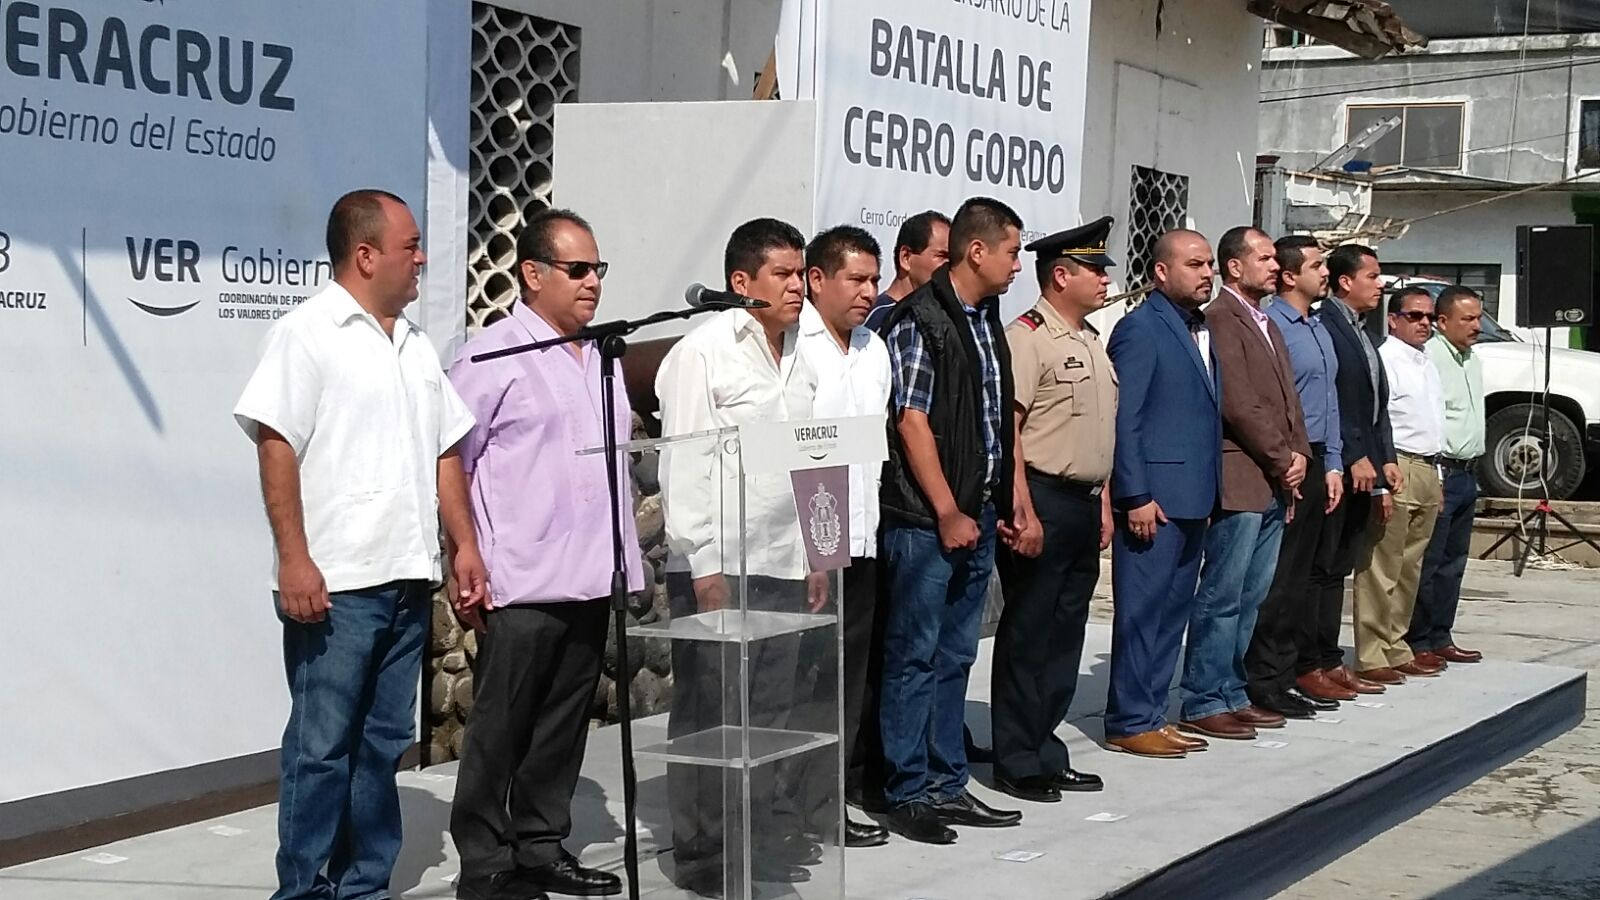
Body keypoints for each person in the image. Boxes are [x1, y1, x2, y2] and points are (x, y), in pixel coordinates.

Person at [234, 189, 486, 900]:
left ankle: (364, 885)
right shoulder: (307, 332)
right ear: (365, 253)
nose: (421, 259)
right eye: (409, 245)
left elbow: (445, 451)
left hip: (408, 576)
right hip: (338, 585)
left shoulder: (415, 343)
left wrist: (462, 544)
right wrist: (294, 558)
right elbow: (276, 444)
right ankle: (306, 889)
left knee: (379, 749)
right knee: (321, 751)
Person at [445, 209, 638, 900]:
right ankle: (486, 861)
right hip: (523, 572)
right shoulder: (490, 354)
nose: (592, 284)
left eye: (598, 270)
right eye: (577, 270)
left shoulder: (601, 355)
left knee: (562, 721)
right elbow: (450, 458)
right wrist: (462, 551)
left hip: (590, 569)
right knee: (501, 725)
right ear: (533, 273)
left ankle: (540, 844)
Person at [655, 218, 821, 894]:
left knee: (769, 716)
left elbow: (810, 451)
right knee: (714, 715)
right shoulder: (704, 352)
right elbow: (685, 463)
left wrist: (818, 546)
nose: (796, 286)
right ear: (741, 282)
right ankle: (705, 853)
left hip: (782, 558)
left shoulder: (800, 353)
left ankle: (752, 838)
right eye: (782, 273)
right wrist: (703, 564)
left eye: (799, 273)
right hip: (722, 565)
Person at [877, 197, 1026, 843]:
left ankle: (946, 781)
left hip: (979, 513)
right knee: (913, 656)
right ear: (977, 251)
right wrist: (945, 509)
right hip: (927, 521)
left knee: (956, 655)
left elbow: (998, 418)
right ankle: (906, 790)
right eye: (1013, 251)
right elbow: (911, 420)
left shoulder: (985, 317)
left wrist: (1012, 497)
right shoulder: (923, 320)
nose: (1019, 264)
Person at [990, 217, 1118, 803]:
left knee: (1066, 636)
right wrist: (1022, 507)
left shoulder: (1091, 338)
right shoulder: (1028, 336)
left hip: (1084, 503)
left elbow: (1098, 434)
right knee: (1028, 634)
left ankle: (1046, 747)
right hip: (1041, 496)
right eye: (1094, 270)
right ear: (1060, 275)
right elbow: (1010, 430)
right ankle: (1017, 757)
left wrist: (1107, 505)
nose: (1103, 279)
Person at [1179, 227, 1308, 741]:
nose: (1276, 266)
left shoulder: (1266, 322)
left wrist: (1300, 455)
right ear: (1235, 267)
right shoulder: (1222, 320)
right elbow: (1239, 402)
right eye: (1266, 258)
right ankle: (1205, 695)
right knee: (1223, 594)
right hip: (1244, 475)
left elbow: (1287, 400)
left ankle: (1233, 691)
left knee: (1252, 595)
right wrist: (1281, 457)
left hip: (1277, 478)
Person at [790, 224, 893, 849]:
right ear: (817, 279)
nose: (867, 291)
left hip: (862, 535)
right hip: (810, 544)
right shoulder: (796, 349)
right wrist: (814, 549)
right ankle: (801, 801)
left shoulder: (874, 348)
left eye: (874, 280)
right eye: (856, 279)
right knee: (807, 678)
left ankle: (830, 796)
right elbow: (798, 452)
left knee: (848, 674)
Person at [1103, 229, 1223, 759]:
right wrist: (1134, 495)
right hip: (1155, 498)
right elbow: (1124, 421)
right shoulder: (1140, 330)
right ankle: (1129, 717)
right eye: (1195, 264)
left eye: (1211, 264)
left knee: (1173, 611)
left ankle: (1152, 712)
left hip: (1195, 493)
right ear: (1160, 272)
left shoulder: (1198, 328)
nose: (1207, 273)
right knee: (1142, 612)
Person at [1246, 236, 1370, 721]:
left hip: (1320, 458)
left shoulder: (1317, 326)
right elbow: (1274, 402)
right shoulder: (1275, 325)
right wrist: (1289, 460)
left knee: (1307, 575)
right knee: (1279, 578)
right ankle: (1265, 678)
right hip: (1287, 461)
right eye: (1317, 265)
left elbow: (1329, 401)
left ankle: (1291, 671)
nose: (1325, 272)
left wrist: (1335, 460)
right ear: (1291, 276)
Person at [1303, 243, 1399, 703]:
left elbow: (1375, 403)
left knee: (1340, 564)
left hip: (1366, 464)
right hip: (1339, 462)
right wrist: (1355, 453)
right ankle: (1312, 660)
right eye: (1373, 276)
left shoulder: (1361, 331)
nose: (1380, 285)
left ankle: (1327, 658)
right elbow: (1335, 401)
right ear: (1346, 281)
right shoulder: (1327, 326)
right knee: (1322, 565)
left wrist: (1387, 459)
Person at [1351, 287, 1447, 683]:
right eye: (1414, 316)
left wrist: (1437, 479)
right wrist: (1380, 482)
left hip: (1427, 467)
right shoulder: (1385, 359)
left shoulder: (1428, 363)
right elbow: (1378, 423)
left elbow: (1434, 423)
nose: (1424, 323)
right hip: (1397, 464)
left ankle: (1396, 644)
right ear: (1393, 320)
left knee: (1410, 566)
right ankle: (1372, 653)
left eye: (1429, 317)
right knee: (1381, 565)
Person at [1408, 286, 1487, 667]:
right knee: (1429, 561)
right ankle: (1417, 639)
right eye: (1468, 319)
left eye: (1479, 318)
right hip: (1442, 470)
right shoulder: (1432, 358)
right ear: (1442, 322)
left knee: (1454, 563)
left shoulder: (1472, 358)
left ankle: (1442, 634)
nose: (1477, 326)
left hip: (1469, 473)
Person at [866, 210, 951, 333]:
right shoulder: (877, 318)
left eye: (953, 258)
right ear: (905, 257)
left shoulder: (940, 316)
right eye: (942, 256)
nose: (950, 265)